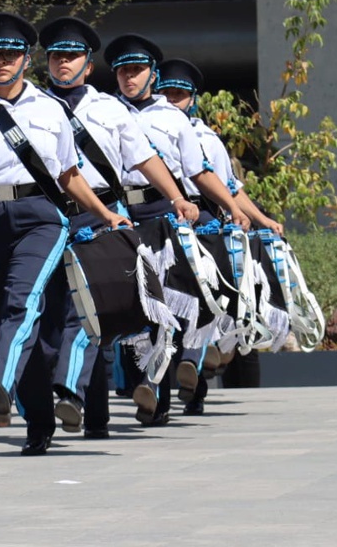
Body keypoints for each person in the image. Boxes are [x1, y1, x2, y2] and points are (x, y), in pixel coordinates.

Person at [0, 12, 130, 455]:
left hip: (42, 214)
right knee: (12, 317)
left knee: (23, 301)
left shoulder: (50, 109)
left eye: (10, 54)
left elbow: (69, 175)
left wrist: (104, 213)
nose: (1, 62)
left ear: (26, 59)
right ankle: (38, 421)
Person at [36, 16, 199, 438]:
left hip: (101, 217)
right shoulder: (30, 106)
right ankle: (68, 416)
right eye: (56, 57)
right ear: (46, 63)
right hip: (45, 214)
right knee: (50, 316)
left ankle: (77, 400)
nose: (63, 64)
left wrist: (179, 196)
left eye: (72, 57)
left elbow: (144, 158)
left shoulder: (109, 110)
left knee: (92, 311)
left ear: (88, 65)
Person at [104, 34, 250, 427]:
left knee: (161, 304)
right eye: (122, 71)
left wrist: (233, 207)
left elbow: (199, 171)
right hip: (116, 212)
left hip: (162, 212)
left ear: (152, 73)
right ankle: (140, 384)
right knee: (125, 305)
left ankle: (158, 392)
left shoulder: (173, 118)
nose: (128, 78)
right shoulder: (102, 110)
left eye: (136, 70)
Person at [155, 57, 283, 414]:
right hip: (161, 219)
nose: (170, 101)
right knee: (164, 307)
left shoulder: (205, 138)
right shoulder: (143, 125)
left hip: (203, 220)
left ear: (192, 99)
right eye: (165, 93)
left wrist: (259, 219)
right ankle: (164, 388)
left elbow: (229, 188)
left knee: (205, 301)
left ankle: (194, 377)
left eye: (179, 95)